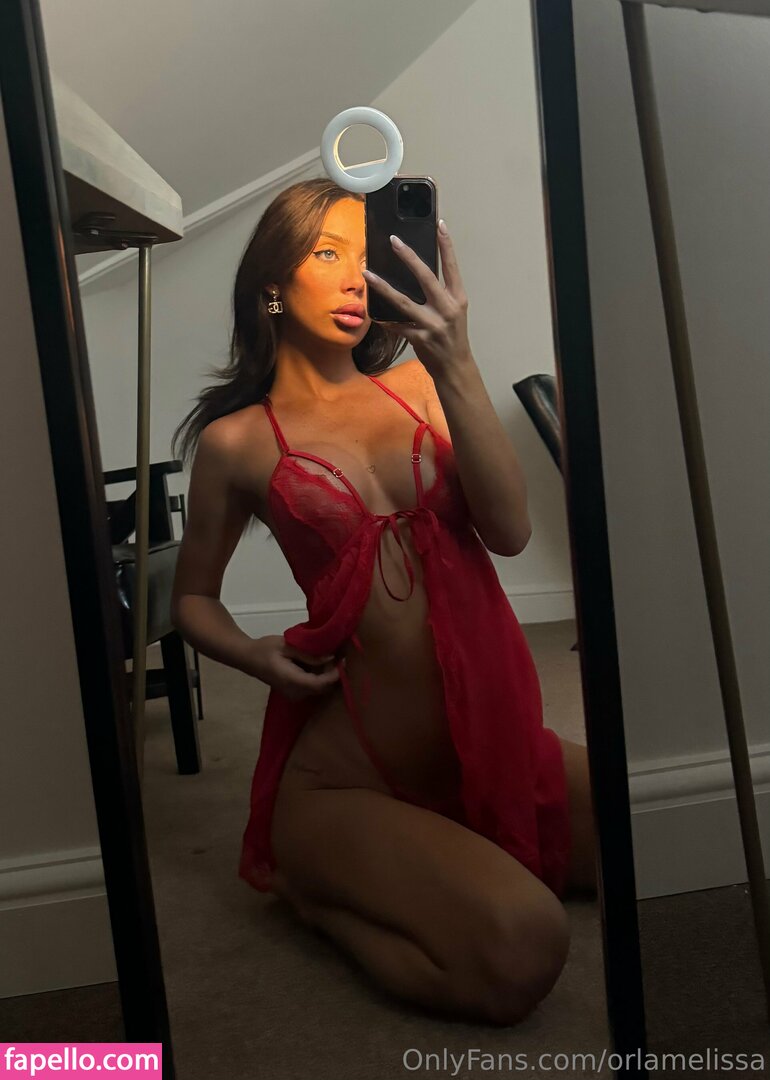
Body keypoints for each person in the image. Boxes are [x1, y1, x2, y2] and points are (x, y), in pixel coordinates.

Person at [170, 177, 597, 1026]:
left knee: (669, 835)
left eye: (366, 258)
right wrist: (254, 656)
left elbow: (510, 532)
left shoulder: (429, 388)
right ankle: (316, 895)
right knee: (523, 947)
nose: (354, 279)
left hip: (495, 748)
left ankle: (427, 863)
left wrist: (456, 357)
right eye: (326, 253)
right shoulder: (235, 441)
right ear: (271, 284)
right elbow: (192, 600)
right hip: (348, 780)